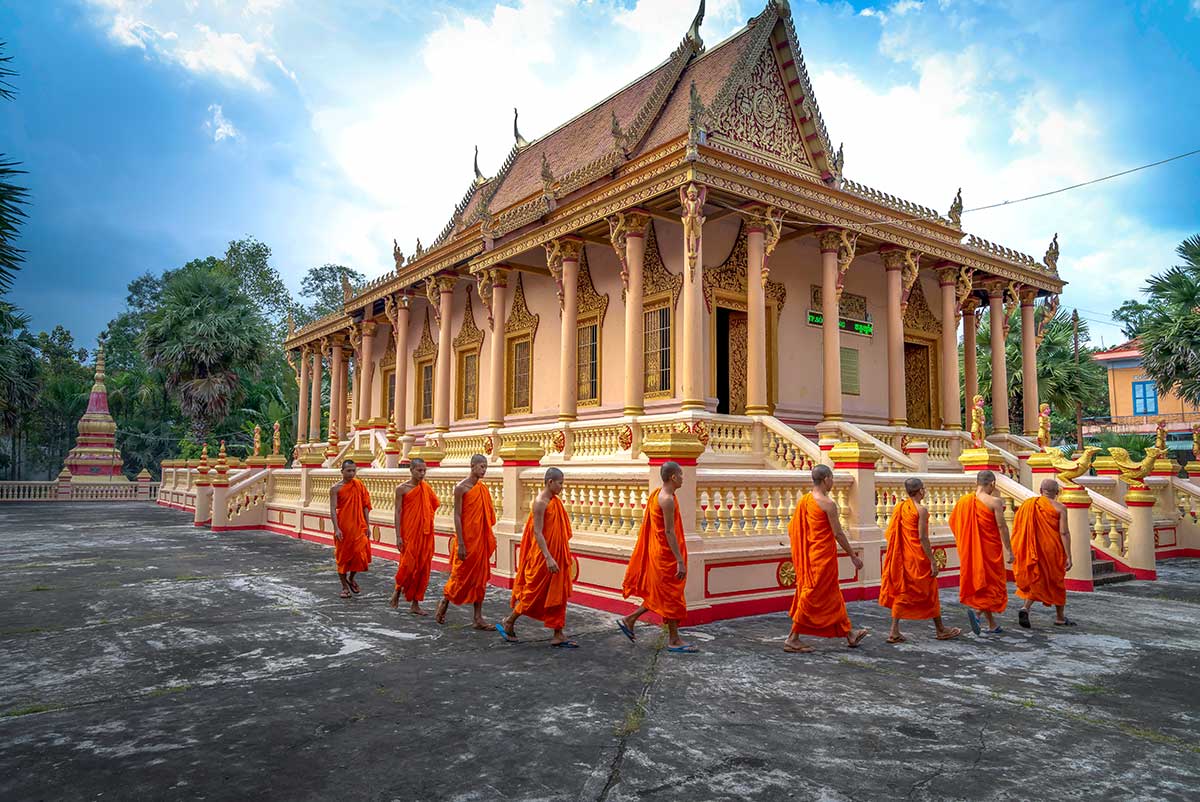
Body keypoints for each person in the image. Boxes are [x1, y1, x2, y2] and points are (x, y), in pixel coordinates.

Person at [783, 465, 869, 653]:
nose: (833, 482)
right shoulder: (827, 504)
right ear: (826, 479)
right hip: (819, 557)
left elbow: (793, 529)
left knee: (832, 594)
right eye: (832, 479)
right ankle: (792, 638)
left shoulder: (804, 501)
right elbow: (838, 533)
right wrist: (853, 555)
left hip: (815, 554)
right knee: (811, 594)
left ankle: (849, 634)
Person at [618, 461, 696, 653]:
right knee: (671, 596)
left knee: (663, 596)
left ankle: (630, 619)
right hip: (666, 556)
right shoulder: (667, 499)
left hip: (660, 552)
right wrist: (679, 560)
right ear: (673, 477)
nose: (683, 478)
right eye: (681, 475)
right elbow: (669, 532)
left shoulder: (657, 494)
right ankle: (674, 640)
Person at [499, 467, 576, 647]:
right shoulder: (541, 502)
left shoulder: (554, 501)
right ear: (550, 482)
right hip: (544, 555)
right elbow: (538, 532)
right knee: (533, 593)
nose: (561, 487)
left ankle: (558, 632)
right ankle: (510, 620)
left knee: (559, 593)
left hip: (558, 553)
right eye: (560, 483)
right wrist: (548, 557)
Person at [879, 478, 962, 643]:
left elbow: (890, 533)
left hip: (903, 556)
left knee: (903, 591)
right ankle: (940, 629)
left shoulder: (900, 507)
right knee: (930, 591)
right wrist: (932, 560)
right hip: (917, 556)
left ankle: (894, 630)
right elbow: (923, 538)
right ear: (920, 491)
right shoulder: (920, 510)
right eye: (923, 489)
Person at [435, 454, 496, 629]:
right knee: (460, 575)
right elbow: (457, 515)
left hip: (480, 539)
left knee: (480, 578)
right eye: (481, 466)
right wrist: (461, 542)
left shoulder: (482, 489)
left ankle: (478, 617)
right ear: (472, 466)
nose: (484, 470)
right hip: (467, 539)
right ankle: (445, 602)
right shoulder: (461, 488)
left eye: (486, 467)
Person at [948, 469, 1012, 635]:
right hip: (990, 551)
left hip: (972, 550)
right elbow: (1002, 527)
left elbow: (953, 523)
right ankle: (977, 613)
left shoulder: (963, 502)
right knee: (991, 584)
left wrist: (967, 541)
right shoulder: (994, 502)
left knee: (983, 585)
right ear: (992, 484)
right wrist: (1010, 550)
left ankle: (992, 625)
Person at [1012, 478, 1074, 628]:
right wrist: (1069, 555)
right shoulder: (1060, 508)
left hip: (1034, 549)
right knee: (1057, 582)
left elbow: (1019, 527)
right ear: (1057, 493)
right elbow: (1064, 532)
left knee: (1036, 579)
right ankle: (1060, 617)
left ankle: (1025, 608)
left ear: (1040, 491)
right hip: (1052, 549)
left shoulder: (1028, 505)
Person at [388, 458, 439, 615]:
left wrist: (424, 520)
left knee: (422, 567)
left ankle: (415, 603)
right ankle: (397, 590)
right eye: (419, 470)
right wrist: (398, 536)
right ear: (411, 470)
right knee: (407, 565)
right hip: (409, 533)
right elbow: (397, 512)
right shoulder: (402, 489)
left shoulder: (426, 489)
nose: (422, 473)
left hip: (424, 534)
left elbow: (432, 507)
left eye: (424, 470)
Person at [330, 460, 372, 599]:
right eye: (348, 471)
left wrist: (367, 525)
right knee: (342, 557)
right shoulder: (335, 488)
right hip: (344, 526)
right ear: (342, 471)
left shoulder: (359, 485)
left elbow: (366, 505)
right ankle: (344, 586)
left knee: (360, 555)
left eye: (354, 470)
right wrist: (336, 529)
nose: (351, 473)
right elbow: (333, 509)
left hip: (359, 525)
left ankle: (352, 578)